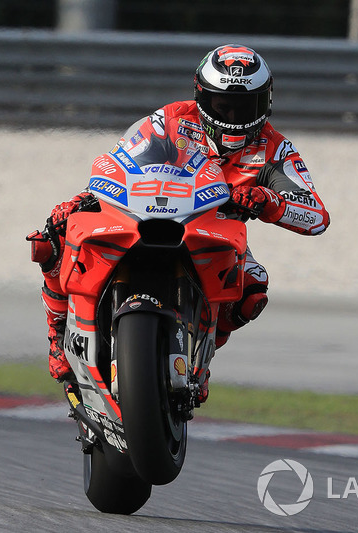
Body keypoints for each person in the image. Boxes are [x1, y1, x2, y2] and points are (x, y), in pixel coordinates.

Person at [35, 44, 330, 401]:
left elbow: (315, 215)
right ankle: (57, 333)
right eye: (223, 105)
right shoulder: (170, 120)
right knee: (53, 236)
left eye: (245, 106)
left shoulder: (276, 150)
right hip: (146, 212)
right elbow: (120, 161)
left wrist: (269, 202)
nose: (234, 115)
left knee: (253, 290)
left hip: (213, 230)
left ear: (266, 102)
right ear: (201, 97)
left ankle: (199, 364)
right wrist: (86, 198)